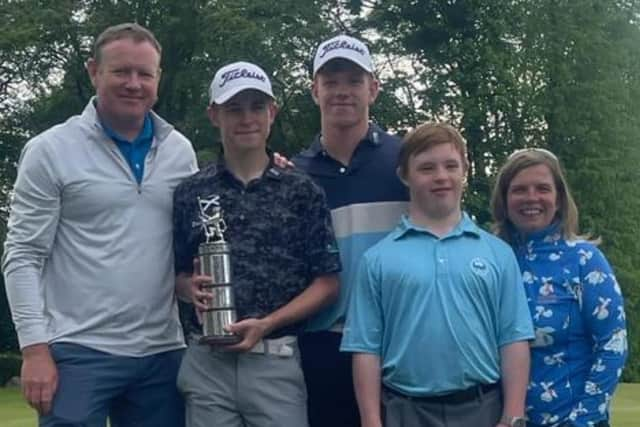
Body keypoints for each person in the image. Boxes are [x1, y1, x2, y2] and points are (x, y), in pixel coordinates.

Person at [2, 23, 197, 426]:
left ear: (158, 78)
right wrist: (34, 349)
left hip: (161, 352)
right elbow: (23, 255)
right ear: (94, 71)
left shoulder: (180, 151)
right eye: (120, 71)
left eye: (145, 74)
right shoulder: (50, 150)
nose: (133, 83)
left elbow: (183, 246)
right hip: (77, 351)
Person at [172, 61, 341, 427]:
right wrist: (189, 288)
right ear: (214, 115)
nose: (246, 118)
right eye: (234, 108)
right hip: (207, 362)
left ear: (272, 112)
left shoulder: (302, 190)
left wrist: (267, 324)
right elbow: (177, 275)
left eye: (256, 107)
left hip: (275, 359)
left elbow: (328, 282)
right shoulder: (190, 192)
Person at [341, 122, 535, 427]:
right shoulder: (377, 259)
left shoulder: (497, 253)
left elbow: (513, 340)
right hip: (406, 411)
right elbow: (366, 349)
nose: (441, 177)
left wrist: (512, 417)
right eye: (427, 168)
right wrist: (371, 421)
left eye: (450, 166)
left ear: (464, 171)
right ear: (405, 175)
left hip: (482, 409)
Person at [293, 34, 409, 427]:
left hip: (399, 340)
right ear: (315, 90)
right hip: (323, 345)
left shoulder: (408, 161)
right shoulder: (294, 176)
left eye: (354, 81)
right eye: (331, 81)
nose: (342, 91)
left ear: (373, 89)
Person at [490, 148, 628, 427]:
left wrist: (583, 419)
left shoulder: (585, 260)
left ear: (559, 198)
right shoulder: (491, 259)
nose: (531, 198)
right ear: (504, 200)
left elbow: (612, 345)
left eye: (542, 188)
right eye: (519, 190)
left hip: (574, 420)